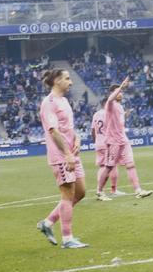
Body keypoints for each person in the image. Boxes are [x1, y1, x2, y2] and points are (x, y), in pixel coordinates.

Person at [36, 69, 88, 249]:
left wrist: (77, 138)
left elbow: (67, 127)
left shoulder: (64, 100)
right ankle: (67, 239)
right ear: (57, 81)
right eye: (67, 78)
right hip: (61, 156)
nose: (71, 82)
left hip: (72, 154)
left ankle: (48, 223)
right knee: (67, 195)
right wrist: (67, 154)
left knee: (80, 192)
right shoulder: (48, 103)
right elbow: (53, 130)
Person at [97, 78, 153, 199]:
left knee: (131, 164)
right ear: (113, 92)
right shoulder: (110, 104)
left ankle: (138, 190)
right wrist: (121, 87)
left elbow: (118, 122)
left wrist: (126, 115)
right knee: (109, 167)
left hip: (123, 140)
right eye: (119, 91)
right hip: (113, 141)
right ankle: (100, 191)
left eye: (122, 91)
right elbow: (111, 98)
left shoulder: (120, 107)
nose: (121, 93)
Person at [91, 105, 123, 198]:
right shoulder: (109, 113)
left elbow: (93, 130)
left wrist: (96, 141)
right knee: (112, 166)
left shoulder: (96, 114)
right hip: (108, 142)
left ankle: (100, 189)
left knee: (102, 166)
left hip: (98, 143)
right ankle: (113, 189)